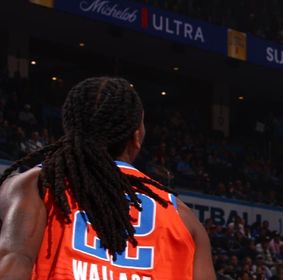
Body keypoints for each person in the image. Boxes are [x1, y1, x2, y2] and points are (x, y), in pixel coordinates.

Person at [0, 76, 215, 279]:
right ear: (137, 137)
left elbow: (13, 264)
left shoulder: (34, 185)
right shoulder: (185, 219)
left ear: (70, 128)